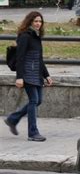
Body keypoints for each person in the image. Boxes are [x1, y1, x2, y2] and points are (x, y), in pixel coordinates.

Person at [4, 11, 53, 142]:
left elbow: (39, 58)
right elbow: (20, 57)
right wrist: (19, 77)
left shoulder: (36, 36)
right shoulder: (25, 36)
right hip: (27, 73)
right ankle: (33, 133)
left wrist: (46, 75)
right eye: (36, 21)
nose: (38, 24)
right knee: (33, 101)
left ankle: (12, 119)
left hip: (36, 73)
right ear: (30, 22)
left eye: (40, 21)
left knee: (38, 101)